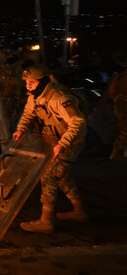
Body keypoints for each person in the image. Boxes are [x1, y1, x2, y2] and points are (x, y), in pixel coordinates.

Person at [12, 64, 88, 233]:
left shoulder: (59, 98)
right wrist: (21, 129)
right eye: (26, 82)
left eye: (32, 82)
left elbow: (78, 122)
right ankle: (79, 210)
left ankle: (46, 221)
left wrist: (63, 144)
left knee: (47, 175)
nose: (28, 85)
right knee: (61, 175)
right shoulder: (34, 96)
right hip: (55, 142)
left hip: (71, 143)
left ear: (44, 81)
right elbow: (28, 114)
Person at [108, 57, 127, 161]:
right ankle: (117, 154)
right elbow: (117, 96)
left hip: (122, 108)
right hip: (123, 109)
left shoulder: (120, 77)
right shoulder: (122, 79)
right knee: (124, 132)